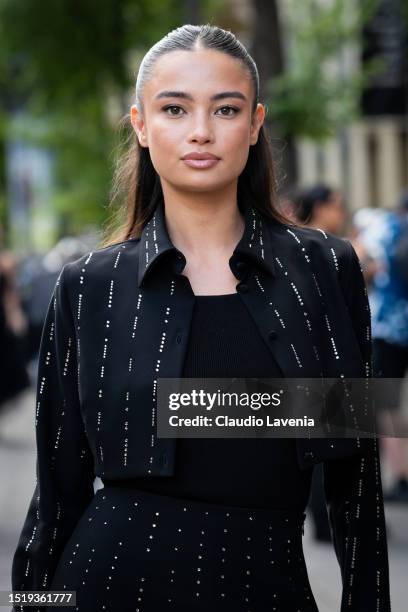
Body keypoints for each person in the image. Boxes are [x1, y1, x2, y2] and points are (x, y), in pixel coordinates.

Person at [11, 24, 390, 612]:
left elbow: (356, 478)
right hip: (107, 588)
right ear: (140, 125)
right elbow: (57, 492)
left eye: (226, 108)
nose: (201, 132)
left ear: (256, 122)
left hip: (269, 587)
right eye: (173, 108)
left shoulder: (323, 269)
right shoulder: (90, 286)